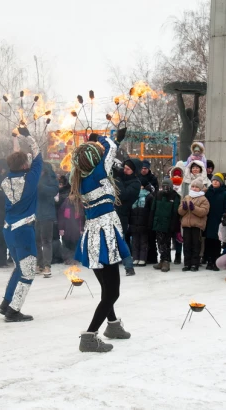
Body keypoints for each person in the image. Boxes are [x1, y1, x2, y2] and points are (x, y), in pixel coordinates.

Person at [70, 131, 131, 353]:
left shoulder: (78, 176)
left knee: (106, 288)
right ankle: (89, 336)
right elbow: (111, 148)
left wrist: (92, 143)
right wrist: (101, 138)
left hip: (92, 236)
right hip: (105, 236)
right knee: (112, 293)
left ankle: (113, 325)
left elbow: (103, 151)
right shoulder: (98, 173)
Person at [0, 126, 43, 322]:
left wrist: (18, 141)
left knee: (19, 267)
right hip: (24, 230)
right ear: (24, 166)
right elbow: (38, 156)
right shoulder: (30, 179)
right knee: (29, 272)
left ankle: (6, 302)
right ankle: (14, 310)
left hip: (8, 229)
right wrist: (28, 135)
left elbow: (26, 160)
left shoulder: (6, 180)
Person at [115, 157, 141, 276]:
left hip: (122, 215)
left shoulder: (136, 183)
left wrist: (117, 181)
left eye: (128, 169)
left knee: (121, 240)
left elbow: (124, 195)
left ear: (134, 171)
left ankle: (129, 266)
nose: (125, 170)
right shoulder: (121, 177)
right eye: (124, 168)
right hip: (112, 212)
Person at [178, 180, 210, 271]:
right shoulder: (186, 197)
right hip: (186, 225)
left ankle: (195, 264)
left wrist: (194, 208)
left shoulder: (203, 199)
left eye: (196, 187)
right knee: (187, 245)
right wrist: (184, 209)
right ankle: (187, 263)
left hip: (197, 225)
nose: (194, 188)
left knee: (196, 245)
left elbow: (204, 212)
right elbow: (180, 211)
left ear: (200, 189)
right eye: (193, 186)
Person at [152, 178, 181, 272]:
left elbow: (175, 212)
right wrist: (151, 221)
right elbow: (153, 208)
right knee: (160, 243)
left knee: (166, 243)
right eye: (163, 185)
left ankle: (166, 261)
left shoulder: (175, 196)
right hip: (158, 222)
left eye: (167, 186)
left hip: (168, 223)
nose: (165, 187)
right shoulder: (158, 194)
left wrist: (173, 224)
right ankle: (162, 260)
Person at [35, 162, 59, 278]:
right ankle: (39, 264)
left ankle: (47, 266)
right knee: (36, 241)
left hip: (47, 214)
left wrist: (41, 187)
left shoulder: (52, 179)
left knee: (46, 241)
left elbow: (53, 191)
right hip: (36, 214)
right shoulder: (36, 178)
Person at [203, 174, 226, 271]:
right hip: (209, 220)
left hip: (219, 220)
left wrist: (224, 218)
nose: (215, 182)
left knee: (217, 241)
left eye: (217, 181)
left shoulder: (225, 194)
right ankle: (209, 260)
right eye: (213, 180)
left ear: (221, 182)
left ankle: (215, 261)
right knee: (208, 241)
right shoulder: (207, 193)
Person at [57, 175, 82, 265]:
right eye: (71, 194)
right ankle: (67, 259)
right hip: (67, 229)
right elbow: (61, 216)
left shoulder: (79, 205)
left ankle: (76, 258)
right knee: (66, 244)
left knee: (76, 244)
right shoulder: (65, 204)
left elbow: (82, 217)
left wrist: (82, 229)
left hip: (76, 229)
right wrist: (61, 228)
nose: (72, 196)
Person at [129, 183, 154, 266]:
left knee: (143, 242)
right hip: (134, 222)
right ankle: (135, 257)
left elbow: (151, 211)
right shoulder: (134, 196)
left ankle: (143, 258)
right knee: (135, 241)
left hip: (144, 222)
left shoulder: (149, 197)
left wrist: (149, 223)